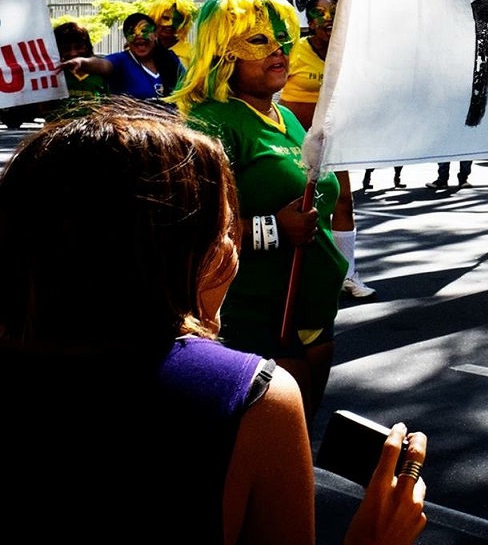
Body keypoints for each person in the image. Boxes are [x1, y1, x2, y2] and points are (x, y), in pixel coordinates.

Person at [0, 101, 428, 544]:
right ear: (182, 252)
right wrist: (377, 535)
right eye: (225, 229)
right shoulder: (251, 397)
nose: (231, 251)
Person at [173, 0, 349, 417]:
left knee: (302, 439)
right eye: (258, 40)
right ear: (222, 56)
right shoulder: (210, 121)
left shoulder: (285, 117)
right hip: (254, 314)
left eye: (283, 40)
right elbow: (190, 224)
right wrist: (271, 228)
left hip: (312, 312)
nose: (278, 51)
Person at [281, 0, 375, 300]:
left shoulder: (350, 54)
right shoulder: (295, 52)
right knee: (300, 209)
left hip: (335, 144)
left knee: (343, 202)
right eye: (319, 13)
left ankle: (348, 275)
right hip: (294, 144)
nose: (327, 19)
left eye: (334, 12)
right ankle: (297, 275)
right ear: (309, 21)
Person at [58, 11, 183, 100]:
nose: (139, 35)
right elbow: (103, 65)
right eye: (131, 32)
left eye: (144, 31)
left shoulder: (170, 59)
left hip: (169, 131)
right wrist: (82, 62)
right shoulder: (121, 61)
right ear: (127, 39)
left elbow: (189, 85)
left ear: (155, 35)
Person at [52, 21, 107, 101]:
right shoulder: (56, 75)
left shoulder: (101, 73)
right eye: (67, 49)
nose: (73, 53)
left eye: (78, 47)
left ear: (87, 47)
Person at [149, 0, 197, 68]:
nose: (170, 24)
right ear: (154, 18)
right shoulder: (143, 50)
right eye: (165, 18)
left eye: (176, 20)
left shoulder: (192, 53)